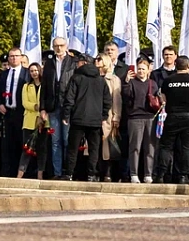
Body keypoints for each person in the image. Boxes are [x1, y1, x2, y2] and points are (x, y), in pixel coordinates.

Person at [61, 53, 111, 181]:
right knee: (94, 149)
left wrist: (66, 115)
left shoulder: (76, 78)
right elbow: (107, 100)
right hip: (95, 120)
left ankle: (69, 174)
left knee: (72, 148)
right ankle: (91, 175)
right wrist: (103, 116)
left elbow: (69, 98)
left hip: (78, 118)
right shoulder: (101, 80)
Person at [154, 56, 189, 184]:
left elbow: (163, 98)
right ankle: (183, 176)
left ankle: (161, 175)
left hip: (172, 115)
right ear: (188, 66)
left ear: (175, 64)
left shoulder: (168, 81)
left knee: (166, 146)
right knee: (186, 147)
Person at [42, 38, 77, 178]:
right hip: (53, 107)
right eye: (56, 46)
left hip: (68, 107)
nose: (58, 48)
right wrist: (43, 108)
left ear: (66, 46)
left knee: (67, 140)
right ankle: (57, 172)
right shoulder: (49, 63)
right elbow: (44, 87)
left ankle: (68, 172)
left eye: (61, 45)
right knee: (55, 141)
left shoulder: (72, 63)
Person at [123, 55, 159, 183]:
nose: (141, 71)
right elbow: (126, 97)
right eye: (139, 69)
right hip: (135, 118)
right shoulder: (132, 82)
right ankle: (134, 174)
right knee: (135, 147)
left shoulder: (152, 84)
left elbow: (157, 98)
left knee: (150, 147)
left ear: (148, 70)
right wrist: (126, 83)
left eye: (144, 69)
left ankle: (148, 174)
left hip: (150, 118)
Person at [0, 47, 29, 176]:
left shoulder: (26, 73)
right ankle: (7, 172)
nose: (14, 58)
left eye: (16, 56)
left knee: (21, 142)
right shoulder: (4, 74)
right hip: (7, 112)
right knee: (7, 144)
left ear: (21, 57)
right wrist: (0, 105)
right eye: (11, 56)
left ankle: (22, 172)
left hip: (22, 112)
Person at [16, 63, 46, 179]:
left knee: (42, 149)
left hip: (43, 121)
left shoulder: (45, 85)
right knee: (27, 148)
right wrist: (36, 106)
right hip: (29, 120)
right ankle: (20, 174)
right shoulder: (27, 86)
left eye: (36, 70)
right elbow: (25, 102)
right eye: (32, 71)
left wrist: (41, 113)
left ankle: (40, 174)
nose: (34, 73)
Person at [96, 53, 123, 182]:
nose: (96, 61)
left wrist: (116, 117)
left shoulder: (113, 79)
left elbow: (117, 99)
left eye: (99, 59)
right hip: (93, 116)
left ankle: (107, 173)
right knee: (93, 145)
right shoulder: (93, 78)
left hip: (108, 117)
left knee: (107, 145)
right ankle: (95, 172)